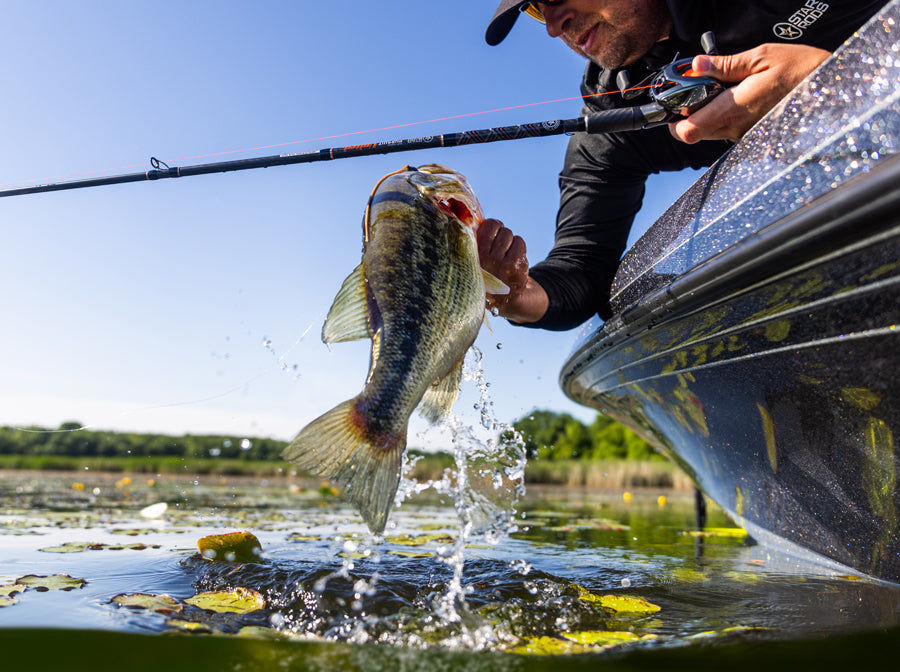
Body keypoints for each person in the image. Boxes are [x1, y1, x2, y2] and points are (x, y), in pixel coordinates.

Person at [477, 0, 889, 330]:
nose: (553, 24)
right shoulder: (610, 117)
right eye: (535, 8)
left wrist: (840, 82)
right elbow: (581, 269)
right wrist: (515, 293)